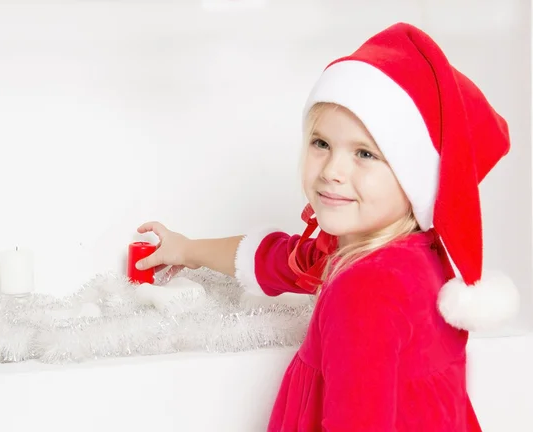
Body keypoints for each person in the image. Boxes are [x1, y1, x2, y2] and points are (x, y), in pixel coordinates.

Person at [135, 22, 520, 431]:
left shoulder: (365, 290)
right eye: (321, 144)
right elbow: (278, 260)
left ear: (414, 176)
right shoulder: (403, 255)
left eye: (365, 154)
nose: (332, 170)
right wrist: (186, 249)